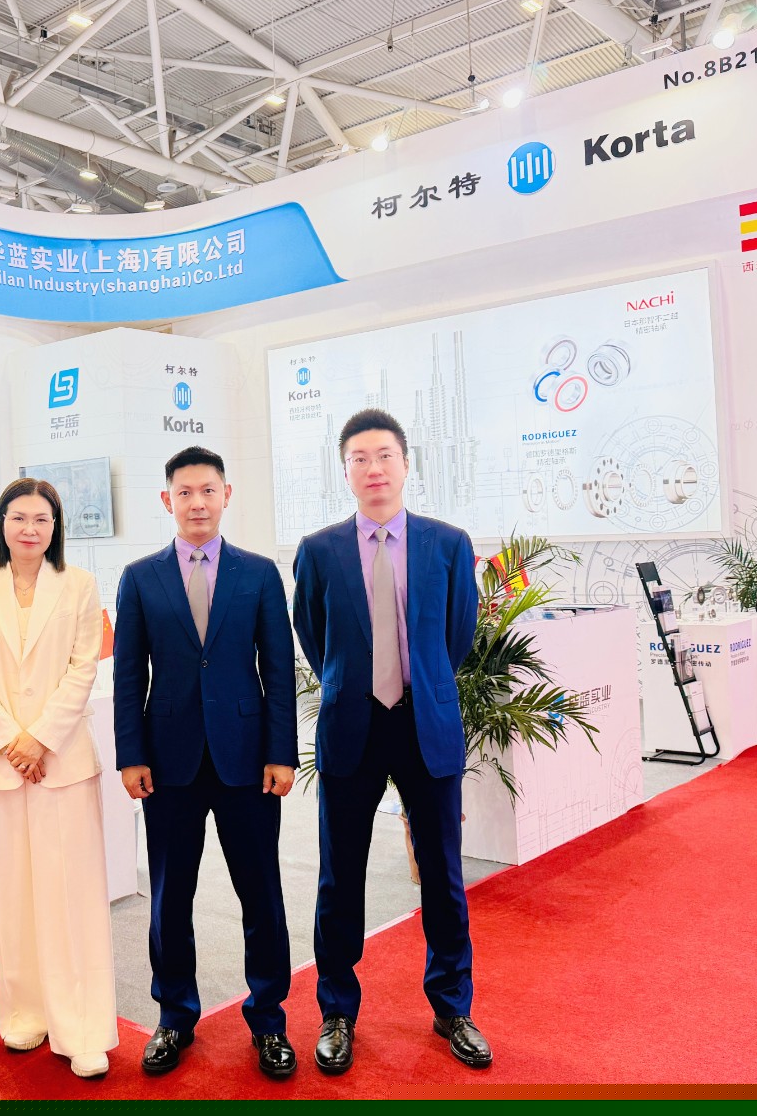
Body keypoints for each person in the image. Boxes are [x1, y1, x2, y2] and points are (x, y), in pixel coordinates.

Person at [291, 408, 489, 1073]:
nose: (373, 469)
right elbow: (313, 635)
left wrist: (417, 686)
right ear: (345, 472)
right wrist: (353, 685)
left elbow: (456, 635)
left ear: (406, 464)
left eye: (384, 456)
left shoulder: (447, 544)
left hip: (424, 724)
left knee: (443, 875)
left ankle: (453, 1007)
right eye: (359, 459)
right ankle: (337, 1012)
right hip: (352, 727)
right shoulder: (319, 551)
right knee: (339, 878)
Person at [113, 446, 298, 1078]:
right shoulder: (140, 577)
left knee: (261, 892)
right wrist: (132, 754)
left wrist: (280, 752)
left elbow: (278, 669)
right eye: (185, 493)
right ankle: (174, 1016)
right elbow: (129, 675)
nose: (197, 503)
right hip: (169, 764)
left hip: (248, 760)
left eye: (208, 491)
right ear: (167, 500)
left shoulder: (259, 573)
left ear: (226, 495)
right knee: (170, 897)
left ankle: (268, 1018)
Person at [0, 477, 116, 1078]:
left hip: (62, 760)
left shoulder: (79, 585)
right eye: (18, 517)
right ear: (2, 524)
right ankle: (25, 1015)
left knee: (71, 895)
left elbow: (82, 670)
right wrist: (10, 741)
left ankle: (82, 1028)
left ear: (55, 528)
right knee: (12, 893)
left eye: (41, 519)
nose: (29, 528)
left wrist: (40, 739)